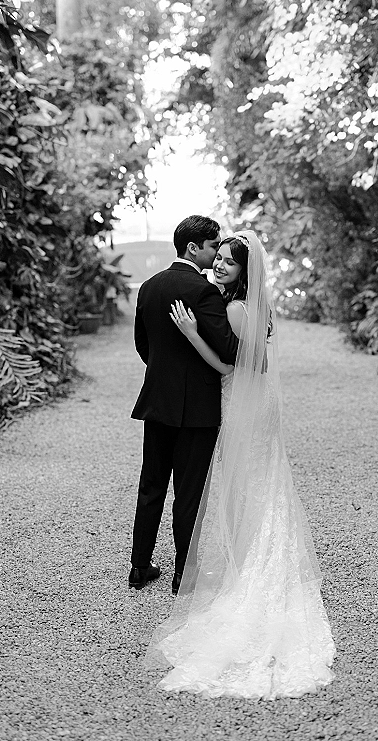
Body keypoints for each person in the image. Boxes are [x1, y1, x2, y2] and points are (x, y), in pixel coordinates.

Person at [145, 230, 335, 699]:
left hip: (241, 405)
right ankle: (257, 553)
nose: (221, 265)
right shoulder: (258, 307)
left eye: (230, 261)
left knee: (241, 483)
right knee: (263, 483)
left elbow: (229, 369)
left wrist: (191, 334)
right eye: (221, 258)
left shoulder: (232, 308)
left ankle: (242, 565)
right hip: (261, 407)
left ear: (244, 269)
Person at [129, 215, 239, 593]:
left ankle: (139, 568)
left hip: (157, 401)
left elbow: (143, 345)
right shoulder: (203, 292)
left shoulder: (149, 286)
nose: (217, 254)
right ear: (194, 248)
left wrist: (165, 373)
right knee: (189, 494)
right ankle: (182, 575)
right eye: (213, 246)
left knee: (151, 486)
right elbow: (229, 349)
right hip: (198, 409)